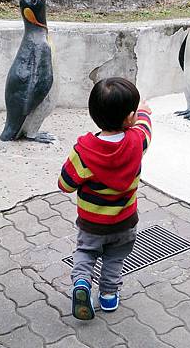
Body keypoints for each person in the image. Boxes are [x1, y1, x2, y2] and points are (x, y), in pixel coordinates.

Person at [58, 77, 152, 320]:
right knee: (115, 257)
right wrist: (143, 112)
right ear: (129, 118)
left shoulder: (84, 152)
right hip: (125, 222)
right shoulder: (137, 142)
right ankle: (108, 296)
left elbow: (65, 185)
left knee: (86, 253)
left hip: (92, 224)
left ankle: (81, 283)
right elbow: (145, 127)